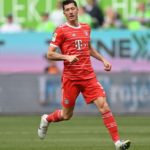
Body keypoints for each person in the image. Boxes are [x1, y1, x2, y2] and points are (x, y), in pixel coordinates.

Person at [38, 1, 131, 150]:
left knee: (104, 106)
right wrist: (66, 57)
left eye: (72, 8)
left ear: (77, 10)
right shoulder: (61, 30)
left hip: (89, 77)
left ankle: (117, 143)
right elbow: (49, 54)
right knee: (67, 115)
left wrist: (103, 59)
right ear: (64, 13)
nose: (70, 12)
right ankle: (46, 118)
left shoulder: (87, 28)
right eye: (67, 10)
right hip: (71, 79)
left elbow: (89, 49)